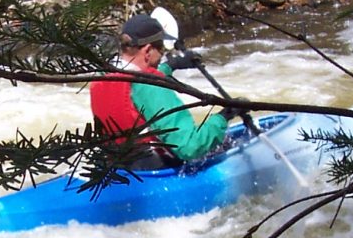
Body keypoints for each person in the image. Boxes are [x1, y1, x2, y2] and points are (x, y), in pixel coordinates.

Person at [90, 14, 243, 169]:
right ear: (148, 50)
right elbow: (189, 148)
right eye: (161, 49)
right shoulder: (151, 87)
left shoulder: (101, 78)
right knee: (225, 143)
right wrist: (224, 116)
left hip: (115, 168)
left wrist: (172, 65)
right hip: (152, 171)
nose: (162, 54)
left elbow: (135, 84)